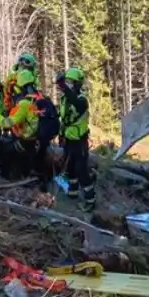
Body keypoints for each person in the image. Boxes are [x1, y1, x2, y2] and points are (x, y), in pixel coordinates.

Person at [56, 67, 94, 210]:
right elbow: (63, 117)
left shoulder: (81, 100)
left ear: (78, 84)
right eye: (67, 81)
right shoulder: (64, 99)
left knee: (81, 171)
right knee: (70, 168)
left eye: (71, 82)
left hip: (80, 141)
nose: (69, 84)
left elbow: (76, 104)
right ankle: (72, 193)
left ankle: (90, 200)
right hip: (68, 140)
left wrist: (62, 86)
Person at [0, 68, 40, 182]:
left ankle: (5, 179)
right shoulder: (38, 100)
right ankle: (27, 179)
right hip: (34, 141)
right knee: (25, 162)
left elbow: (7, 123)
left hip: (25, 141)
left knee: (4, 151)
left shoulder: (24, 104)